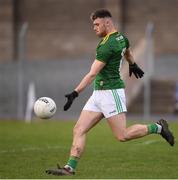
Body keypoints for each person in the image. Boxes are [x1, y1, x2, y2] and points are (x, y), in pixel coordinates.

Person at [46, 9, 174, 176]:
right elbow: (127, 50)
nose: (94, 27)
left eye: (97, 24)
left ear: (107, 22)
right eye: (93, 24)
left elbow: (92, 73)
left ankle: (158, 127)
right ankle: (70, 168)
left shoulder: (107, 45)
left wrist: (75, 93)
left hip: (111, 93)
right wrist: (133, 64)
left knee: (123, 135)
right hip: (98, 94)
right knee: (79, 129)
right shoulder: (121, 37)